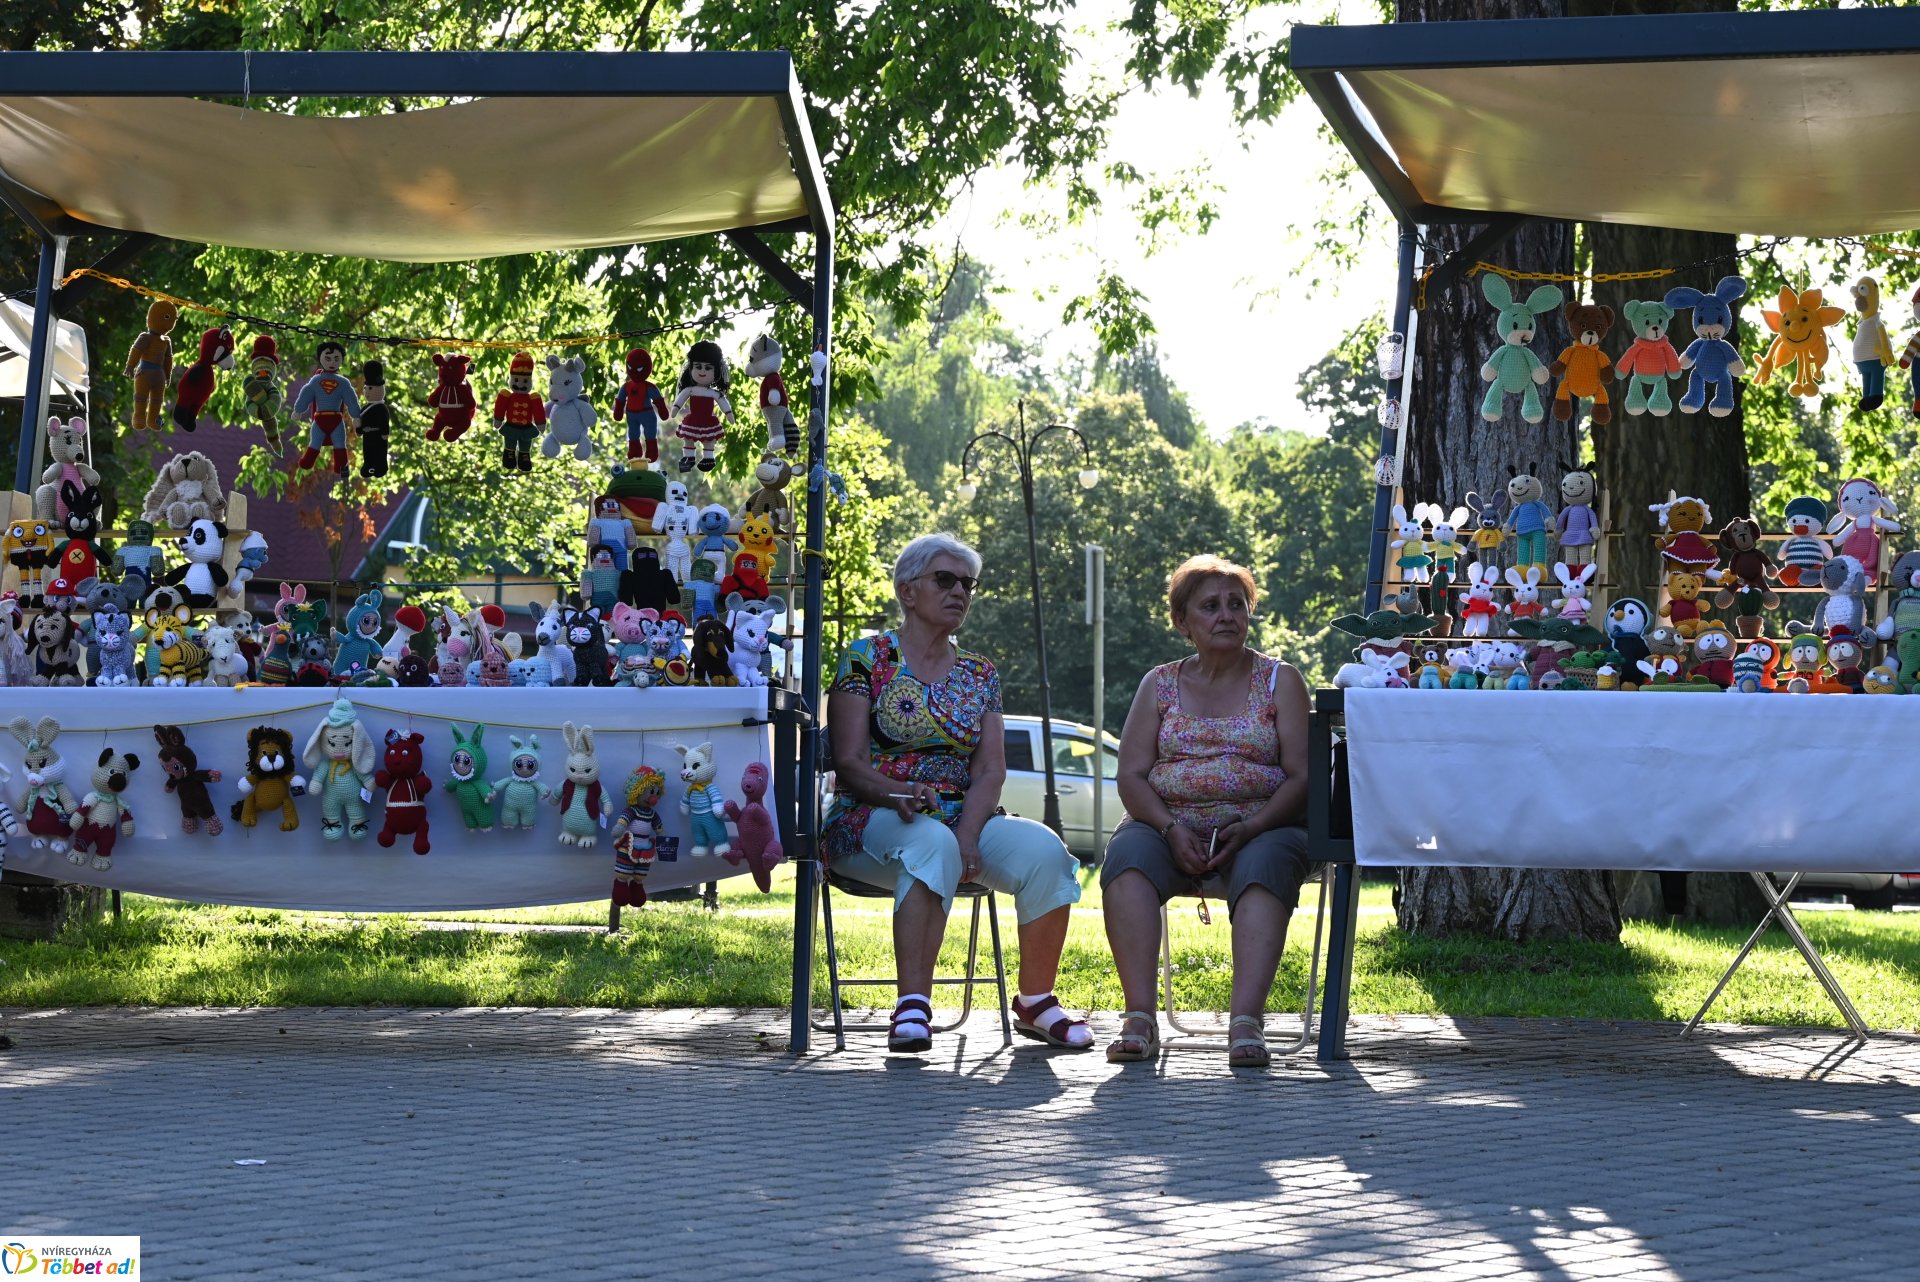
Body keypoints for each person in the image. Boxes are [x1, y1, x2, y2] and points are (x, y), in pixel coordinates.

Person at [825, 533, 1091, 1055]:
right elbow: (849, 763)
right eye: (945, 580)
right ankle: (913, 1005)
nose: (960, 592)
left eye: (967, 584)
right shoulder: (865, 658)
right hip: (868, 817)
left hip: (960, 820)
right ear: (907, 591)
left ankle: (1036, 1001)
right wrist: (895, 792)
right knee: (932, 844)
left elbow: (991, 769)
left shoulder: (980, 673)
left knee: (1045, 853)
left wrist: (970, 832)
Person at [1101, 555, 1312, 1069]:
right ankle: (1139, 1019)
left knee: (1264, 867)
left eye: (1236, 605)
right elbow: (1130, 775)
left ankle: (1245, 1025)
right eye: (1210, 606)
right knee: (1126, 860)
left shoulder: (1280, 680)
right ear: (1183, 622)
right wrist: (1170, 829)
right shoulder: (1160, 684)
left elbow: (1303, 778)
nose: (1226, 616)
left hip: (1264, 826)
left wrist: (1255, 825)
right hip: (1166, 824)